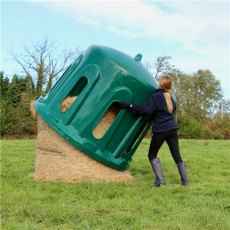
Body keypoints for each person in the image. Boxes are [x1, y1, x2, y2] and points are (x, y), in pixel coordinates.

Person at [116, 75, 189, 187]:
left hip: (161, 130)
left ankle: (160, 181)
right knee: (177, 156)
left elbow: (145, 109)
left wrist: (128, 105)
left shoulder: (157, 96)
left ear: (160, 84)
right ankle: (185, 182)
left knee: (152, 154)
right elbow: (172, 109)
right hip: (173, 129)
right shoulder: (170, 97)